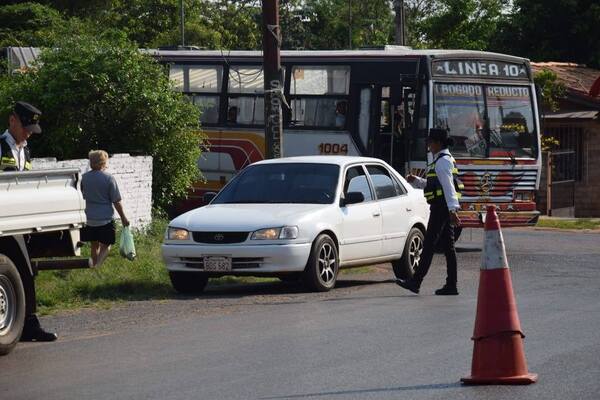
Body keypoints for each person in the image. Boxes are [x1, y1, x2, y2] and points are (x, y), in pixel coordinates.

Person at [1, 101, 57, 341]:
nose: (28, 135)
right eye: (25, 129)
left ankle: (27, 324)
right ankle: (28, 325)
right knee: (23, 270)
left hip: (17, 220)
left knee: (26, 270)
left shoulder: (25, 150)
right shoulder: (1, 146)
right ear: (12, 120)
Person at [396, 128, 463, 296]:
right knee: (448, 247)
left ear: (438, 143)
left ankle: (416, 281)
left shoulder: (442, 162)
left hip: (442, 208)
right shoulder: (442, 160)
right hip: (443, 207)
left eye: (430, 142)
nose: (428, 145)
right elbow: (434, 185)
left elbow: (448, 189)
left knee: (429, 244)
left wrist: (453, 210)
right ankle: (451, 285)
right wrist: (417, 181)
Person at [80, 150, 130, 267]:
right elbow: (116, 201)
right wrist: (123, 217)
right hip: (105, 219)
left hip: (89, 219)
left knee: (94, 244)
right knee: (107, 244)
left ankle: (93, 265)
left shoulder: (84, 178)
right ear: (103, 162)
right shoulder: (109, 178)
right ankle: (97, 267)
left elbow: (82, 196)